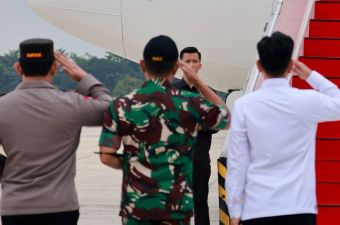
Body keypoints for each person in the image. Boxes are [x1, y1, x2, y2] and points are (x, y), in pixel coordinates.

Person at [99, 35, 230, 225]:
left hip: (137, 208)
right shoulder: (189, 103)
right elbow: (226, 118)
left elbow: (106, 156)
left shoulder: (121, 105)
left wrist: (136, 163)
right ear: (176, 67)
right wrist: (199, 83)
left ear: (142, 65)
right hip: (175, 207)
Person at [225, 32, 340, 225]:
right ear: (291, 66)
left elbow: (237, 162)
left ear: (259, 66)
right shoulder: (308, 100)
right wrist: (311, 76)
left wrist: (235, 211)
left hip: (257, 208)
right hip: (299, 207)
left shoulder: (244, 105)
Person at [0, 39, 112, 225]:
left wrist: (6, 168)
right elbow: (112, 110)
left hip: (16, 206)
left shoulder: (3, 106)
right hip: (60, 207)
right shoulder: (72, 104)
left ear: (18, 68)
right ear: (54, 68)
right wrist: (84, 78)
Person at [171, 46, 217, 225]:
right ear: (180, 65)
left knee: (200, 204)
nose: (191, 65)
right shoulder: (170, 92)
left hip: (199, 159)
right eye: (187, 61)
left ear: (200, 65)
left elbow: (217, 124)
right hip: (174, 160)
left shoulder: (208, 93)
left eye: (194, 61)